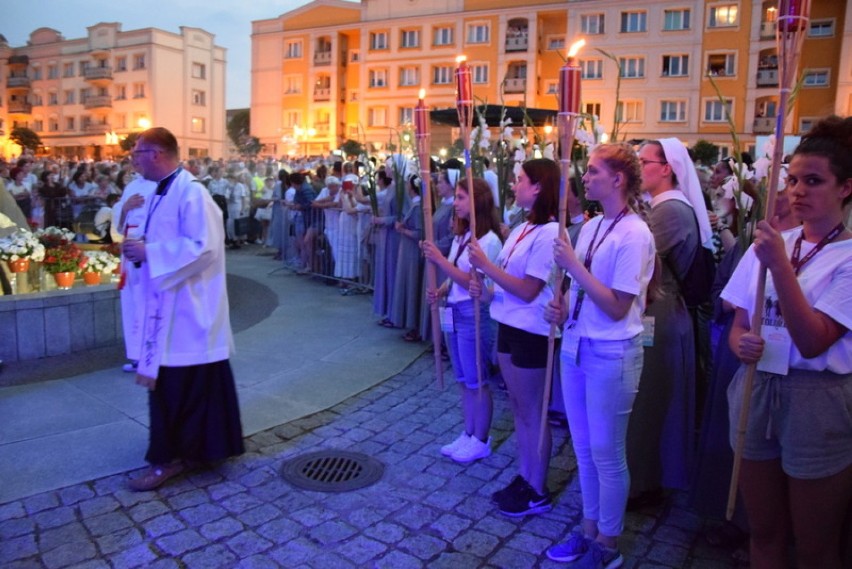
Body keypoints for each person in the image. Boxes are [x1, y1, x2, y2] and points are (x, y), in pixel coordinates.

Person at [721, 115, 852, 569]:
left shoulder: (847, 257)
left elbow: (815, 340)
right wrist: (742, 345)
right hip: (758, 386)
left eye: (813, 181)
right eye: (793, 179)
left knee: (816, 545)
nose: (798, 190)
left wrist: (780, 266)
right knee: (765, 530)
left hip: (815, 400)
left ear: (845, 188)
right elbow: (739, 322)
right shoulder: (778, 242)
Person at [542, 143, 656, 567]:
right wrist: (563, 305)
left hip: (612, 352)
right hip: (577, 344)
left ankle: (608, 544)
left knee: (608, 452)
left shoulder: (635, 233)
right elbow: (582, 293)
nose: (584, 178)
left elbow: (616, 305)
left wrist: (573, 267)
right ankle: (589, 530)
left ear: (618, 179)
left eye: (592, 171)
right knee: (585, 449)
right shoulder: (591, 227)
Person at [121, 127, 244, 491]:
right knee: (185, 386)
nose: (132, 158)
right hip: (167, 306)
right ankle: (200, 451)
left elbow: (203, 247)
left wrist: (150, 254)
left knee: (178, 386)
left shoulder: (192, 193)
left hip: (188, 312)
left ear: (157, 154)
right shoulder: (160, 191)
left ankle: (169, 459)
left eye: (137, 152)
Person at [468, 158, 560, 517]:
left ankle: (538, 488)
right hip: (509, 324)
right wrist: (485, 288)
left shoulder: (551, 232)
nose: (514, 185)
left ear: (538, 187)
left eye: (520, 180)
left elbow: (528, 289)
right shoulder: (523, 228)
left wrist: (487, 267)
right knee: (520, 409)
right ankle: (526, 475)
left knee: (533, 411)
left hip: (531, 331)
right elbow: (506, 285)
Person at [626, 138, 713, 508]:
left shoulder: (671, 210)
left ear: (667, 168)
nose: (637, 168)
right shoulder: (658, 207)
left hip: (661, 314)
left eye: (643, 162)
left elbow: (639, 261)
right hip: (655, 311)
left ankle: (644, 480)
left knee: (649, 401)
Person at [423, 178, 503, 463]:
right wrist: (441, 289)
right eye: (455, 197)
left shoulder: (488, 241)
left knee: (476, 379)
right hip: (455, 311)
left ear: (477, 201)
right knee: (462, 378)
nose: (455, 203)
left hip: (473, 312)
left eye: (460, 197)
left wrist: (440, 262)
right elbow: (455, 276)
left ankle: (481, 438)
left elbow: (474, 281)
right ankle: (468, 432)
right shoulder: (463, 235)